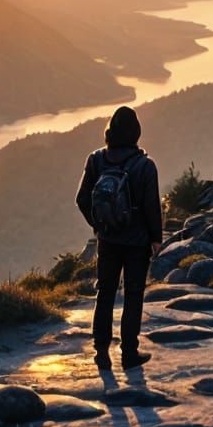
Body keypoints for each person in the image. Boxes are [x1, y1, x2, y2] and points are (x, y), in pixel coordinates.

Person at [76, 104, 162, 370]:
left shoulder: (96, 160)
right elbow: (151, 206)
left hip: (108, 240)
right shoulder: (145, 165)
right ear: (136, 132)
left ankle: (101, 353)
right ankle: (129, 354)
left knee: (105, 293)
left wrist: (99, 224)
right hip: (136, 241)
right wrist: (156, 238)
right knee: (133, 295)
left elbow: (81, 199)